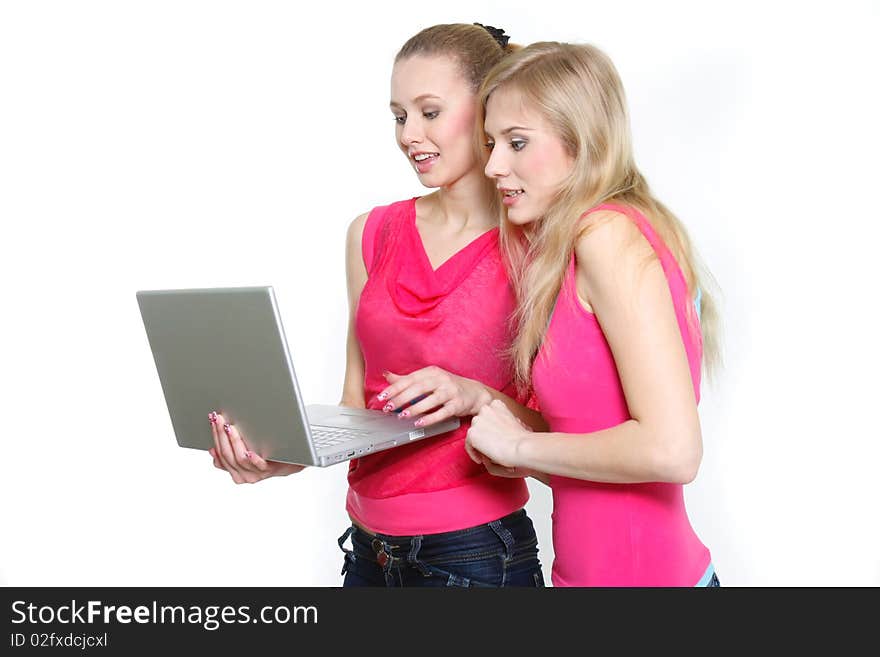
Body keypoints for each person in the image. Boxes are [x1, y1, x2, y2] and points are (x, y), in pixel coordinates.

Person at [207, 23, 548, 588]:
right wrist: (277, 453)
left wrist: (477, 397)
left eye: (429, 111)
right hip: (368, 551)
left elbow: (561, 433)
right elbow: (357, 405)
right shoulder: (372, 233)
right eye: (398, 115)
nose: (409, 134)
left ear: (488, 108)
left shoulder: (538, 246)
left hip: (475, 556)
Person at [465, 41, 722, 587]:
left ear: (581, 144)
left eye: (516, 143)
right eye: (490, 143)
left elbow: (674, 450)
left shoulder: (607, 235)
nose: (492, 165)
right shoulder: (574, 247)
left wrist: (520, 446)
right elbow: (595, 436)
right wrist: (482, 404)